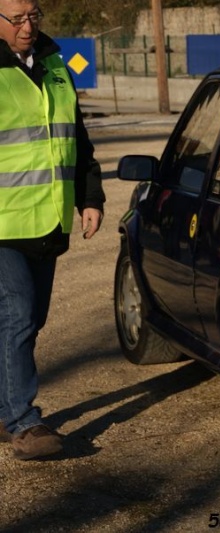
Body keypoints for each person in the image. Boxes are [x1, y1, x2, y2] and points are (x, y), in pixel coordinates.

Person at [0, 0, 105, 460]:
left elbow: (75, 137)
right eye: (16, 18)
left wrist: (91, 197)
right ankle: (24, 422)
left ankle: (5, 406)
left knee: (28, 321)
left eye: (33, 16)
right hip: (2, 223)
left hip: (48, 217)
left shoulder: (56, 64)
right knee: (19, 314)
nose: (28, 26)